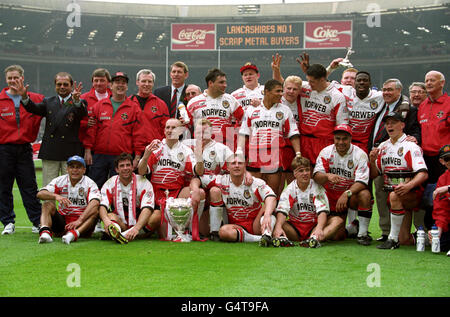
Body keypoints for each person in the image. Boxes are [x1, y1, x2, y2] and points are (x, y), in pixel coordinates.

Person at [368, 78, 421, 242]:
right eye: (384, 89)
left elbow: (416, 129)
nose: (386, 93)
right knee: (381, 194)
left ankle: (414, 232)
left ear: (399, 91)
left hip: (401, 161)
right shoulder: (381, 108)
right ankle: (386, 232)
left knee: (399, 196)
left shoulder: (408, 109)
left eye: (390, 90)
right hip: (381, 156)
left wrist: (415, 139)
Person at [137, 118, 205, 241]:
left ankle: (188, 230)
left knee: (199, 193)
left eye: (173, 128)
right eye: (167, 127)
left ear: (180, 131)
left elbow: (199, 171)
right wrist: (146, 155)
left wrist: (199, 157)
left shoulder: (185, 150)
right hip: (156, 194)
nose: (169, 130)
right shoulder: (157, 147)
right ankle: (139, 232)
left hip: (176, 194)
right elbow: (141, 171)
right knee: (158, 224)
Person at [16, 72, 87, 187]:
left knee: (71, 189)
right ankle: (48, 206)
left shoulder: (79, 102)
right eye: (59, 84)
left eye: (65, 84)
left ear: (71, 86)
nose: (62, 87)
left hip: (70, 152)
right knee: (49, 188)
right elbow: (34, 108)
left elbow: (82, 114)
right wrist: (24, 97)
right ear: (55, 86)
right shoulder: (48, 101)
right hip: (50, 152)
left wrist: (77, 101)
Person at [272, 58, 349, 165]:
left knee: (323, 177)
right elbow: (283, 83)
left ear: (322, 80)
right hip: (304, 141)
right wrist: (276, 70)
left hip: (324, 142)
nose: (309, 83)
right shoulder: (306, 87)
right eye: (308, 80)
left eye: (312, 81)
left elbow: (342, 125)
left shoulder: (337, 96)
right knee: (303, 177)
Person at [369, 112, 428, 249]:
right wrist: (372, 161)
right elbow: (374, 174)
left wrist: (409, 186)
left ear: (402, 125)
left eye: (393, 123)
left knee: (395, 195)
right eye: (387, 123)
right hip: (395, 196)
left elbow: (423, 174)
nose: (390, 126)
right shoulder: (383, 146)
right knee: (405, 239)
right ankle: (426, 237)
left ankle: (392, 240)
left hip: (412, 193)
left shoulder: (410, 145)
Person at [237, 79, 301, 197]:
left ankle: (270, 215)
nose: (281, 94)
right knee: (253, 193)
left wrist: (298, 154)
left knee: (272, 193)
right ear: (267, 91)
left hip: (275, 154)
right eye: (277, 91)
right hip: (255, 154)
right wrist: (239, 152)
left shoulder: (285, 110)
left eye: (282, 91)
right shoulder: (252, 109)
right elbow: (244, 132)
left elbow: (293, 133)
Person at [0, 65, 44, 235]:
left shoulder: (35, 98)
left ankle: (36, 221)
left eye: (16, 77)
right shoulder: (0, 99)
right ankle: (8, 222)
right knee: (4, 187)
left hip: (25, 148)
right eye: (10, 78)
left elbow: (54, 107)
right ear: (6, 80)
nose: (13, 81)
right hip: (4, 149)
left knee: (29, 186)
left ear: (22, 78)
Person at [313, 124, 373, 245]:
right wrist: (327, 176)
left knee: (365, 195)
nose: (341, 142)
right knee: (337, 237)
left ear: (350, 139)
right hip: (329, 197)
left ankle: (362, 234)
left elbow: (362, 182)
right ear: (334, 139)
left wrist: (346, 193)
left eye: (344, 139)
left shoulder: (360, 154)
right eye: (338, 138)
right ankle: (351, 228)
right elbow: (316, 176)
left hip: (348, 198)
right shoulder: (326, 152)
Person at [84, 71, 143, 190]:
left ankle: (116, 209)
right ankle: (95, 209)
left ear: (127, 86)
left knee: (120, 190)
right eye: (117, 82)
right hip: (99, 156)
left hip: (122, 156)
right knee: (95, 188)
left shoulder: (134, 108)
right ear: (111, 86)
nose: (120, 85)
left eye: (123, 83)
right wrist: (88, 150)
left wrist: (137, 156)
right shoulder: (99, 106)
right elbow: (92, 131)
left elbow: (138, 135)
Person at [204, 154, 277, 244]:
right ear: (227, 167)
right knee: (223, 231)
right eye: (233, 163)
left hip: (256, 224)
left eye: (240, 163)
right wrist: (195, 186)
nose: (237, 166)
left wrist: (266, 215)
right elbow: (198, 177)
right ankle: (261, 239)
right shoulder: (221, 180)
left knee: (269, 209)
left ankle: (266, 234)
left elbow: (271, 197)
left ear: (245, 166)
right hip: (236, 226)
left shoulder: (255, 182)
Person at [182, 118, 234, 238]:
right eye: (199, 132)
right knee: (197, 192)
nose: (202, 135)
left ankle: (214, 233)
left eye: (205, 132)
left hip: (212, 190)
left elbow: (235, 166)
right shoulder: (186, 145)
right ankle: (188, 230)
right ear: (195, 133)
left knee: (214, 191)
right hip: (190, 190)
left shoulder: (221, 148)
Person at [37, 155, 101, 244]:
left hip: (82, 224)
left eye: (78, 167)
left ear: (84, 170)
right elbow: (40, 194)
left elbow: (95, 202)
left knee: (96, 211)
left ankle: (73, 235)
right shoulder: (60, 180)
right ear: (67, 169)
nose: (75, 170)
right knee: (47, 205)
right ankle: (45, 233)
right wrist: (56, 196)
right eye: (72, 167)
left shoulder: (89, 183)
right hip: (62, 222)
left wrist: (80, 220)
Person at [99, 153, 158, 244]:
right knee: (109, 216)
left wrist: (136, 228)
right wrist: (106, 221)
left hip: (139, 222)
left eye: (128, 165)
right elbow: (102, 205)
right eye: (122, 166)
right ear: (117, 169)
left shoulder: (143, 182)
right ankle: (120, 233)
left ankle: (127, 234)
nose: (125, 168)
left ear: (132, 167)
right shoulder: (110, 182)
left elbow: (148, 208)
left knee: (157, 215)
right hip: (121, 222)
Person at [417, 71, 450, 230]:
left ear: (441, 83)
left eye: (432, 80)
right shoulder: (422, 105)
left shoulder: (448, 104)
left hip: (443, 160)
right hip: (426, 159)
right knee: (427, 198)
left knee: (442, 196)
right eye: (426, 80)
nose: (428, 83)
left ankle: (442, 231)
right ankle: (430, 231)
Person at [274, 156, 330, 248]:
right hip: (295, 229)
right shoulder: (289, 189)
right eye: (301, 171)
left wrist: (319, 228)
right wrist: (278, 227)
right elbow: (282, 211)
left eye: (307, 170)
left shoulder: (317, 187)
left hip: (313, 227)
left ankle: (314, 238)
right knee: (274, 220)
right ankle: (281, 237)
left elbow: (322, 211)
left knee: (337, 221)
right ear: (294, 173)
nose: (305, 173)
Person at [186, 68, 244, 148]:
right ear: (210, 83)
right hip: (202, 147)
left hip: (225, 147)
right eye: (221, 82)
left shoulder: (231, 100)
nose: (225, 85)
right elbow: (186, 127)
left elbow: (244, 121)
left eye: (225, 82)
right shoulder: (193, 102)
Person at [130, 69, 169, 144]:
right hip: (132, 151)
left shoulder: (161, 104)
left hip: (155, 150)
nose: (147, 84)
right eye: (143, 81)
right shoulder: (128, 103)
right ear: (137, 82)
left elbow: (166, 130)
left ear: (153, 83)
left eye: (150, 81)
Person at [279, 75, 303, 193]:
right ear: (283, 88)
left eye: (295, 89)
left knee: (294, 186)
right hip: (280, 147)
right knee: (277, 185)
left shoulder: (303, 102)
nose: (291, 92)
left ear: (300, 91)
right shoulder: (276, 100)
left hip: (295, 146)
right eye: (288, 88)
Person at [79, 68, 112, 148]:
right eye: (96, 80)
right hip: (85, 145)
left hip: (108, 144)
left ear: (108, 82)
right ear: (92, 82)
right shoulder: (83, 98)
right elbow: (73, 120)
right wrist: (85, 124)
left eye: (102, 80)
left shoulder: (115, 98)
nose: (98, 83)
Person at [430, 144, 450, 255]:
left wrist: (448, 188)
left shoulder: (444, 184)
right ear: (442, 161)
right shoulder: (443, 179)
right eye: (447, 159)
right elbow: (441, 208)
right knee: (440, 244)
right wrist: (438, 229)